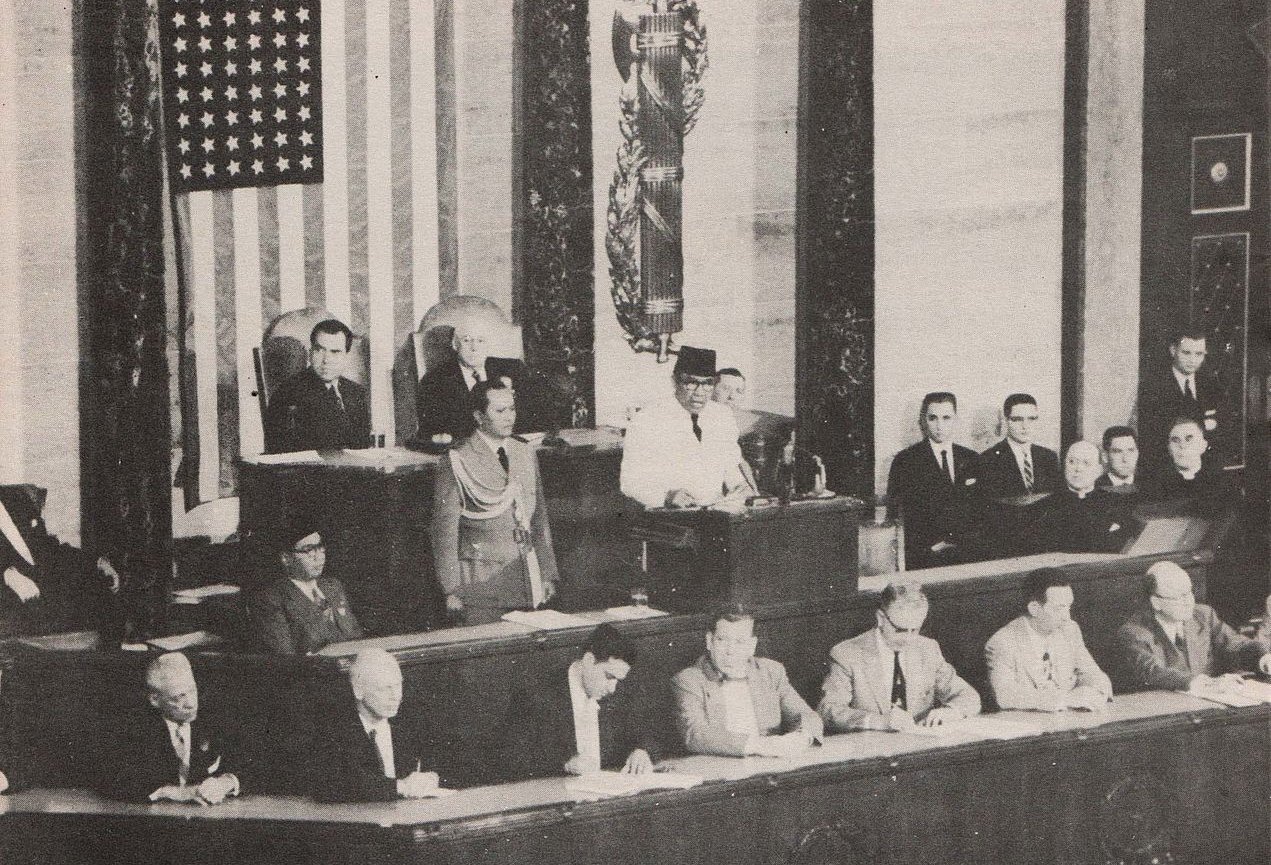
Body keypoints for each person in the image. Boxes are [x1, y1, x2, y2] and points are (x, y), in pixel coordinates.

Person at [431, 379, 559, 626]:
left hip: (524, 575)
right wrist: (451, 590)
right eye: (500, 411)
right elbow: (444, 532)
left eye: (512, 409)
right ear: (479, 416)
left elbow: (538, 519)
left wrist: (546, 573)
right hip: (481, 584)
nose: (509, 417)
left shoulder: (524, 452)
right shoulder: (458, 459)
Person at [492, 624, 662, 782]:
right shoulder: (537, 693)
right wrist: (565, 764)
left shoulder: (620, 689)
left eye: (617, 680)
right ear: (588, 660)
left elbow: (646, 732)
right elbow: (509, 757)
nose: (612, 688)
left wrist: (642, 750)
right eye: (609, 677)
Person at [819, 582, 980, 732]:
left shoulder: (928, 648)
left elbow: (968, 696)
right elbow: (828, 710)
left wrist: (951, 712)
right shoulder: (847, 654)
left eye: (915, 630)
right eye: (901, 630)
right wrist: (878, 721)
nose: (909, 639)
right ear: (881, 618)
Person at [672, 605, 822, 757]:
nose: (730, 651)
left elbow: (806, 715)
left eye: (740, 642)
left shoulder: (770, 671)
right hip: (720, 767)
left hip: (771, 764)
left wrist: (801, 737)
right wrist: (758, 745)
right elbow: (694, 734)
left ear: (752, 645)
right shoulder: (689, 680)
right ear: (709, 641)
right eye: (722, 640)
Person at [102, 653, 244, 804]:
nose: (191, 704)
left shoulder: (216, 717)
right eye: (178, 697)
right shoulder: (132, 726)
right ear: (155, 699)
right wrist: (170, 791)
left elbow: (253, 762)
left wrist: (226, 782)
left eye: (192, 691)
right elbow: (112, 779)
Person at [310, 649, 450, 802]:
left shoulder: (413, 719)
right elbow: (331, 786)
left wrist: (432, 777)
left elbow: (447, 760)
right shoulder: (333, 729)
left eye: (398, 686)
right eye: (384, 689)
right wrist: (400, 786)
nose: (395, 696)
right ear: (358, 691)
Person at [620, 346, 751, 508]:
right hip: (669, 515)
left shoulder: (722, 416)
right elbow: (629, 483)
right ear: (674, 381)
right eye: (691, 383)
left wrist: (741, 487)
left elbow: (731, 469)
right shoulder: (647, 419)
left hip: (715, 511)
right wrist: (666, 496)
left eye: (708, 384)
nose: (700, 392)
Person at [1114, 561, 1271, 693]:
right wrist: (1204, 683)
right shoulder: (1134, 632)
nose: (1189, 601)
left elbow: (1235, 643)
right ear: (1156, 602)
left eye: (1189, 593)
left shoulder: (1203, 615)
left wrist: (1263, 658)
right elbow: (1153, 672)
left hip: (1215, 699)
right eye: (1179, 597)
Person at [1, 483, 121, 639]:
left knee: (98, 591)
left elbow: (49, 547)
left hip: (41, 583)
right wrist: (7, 576)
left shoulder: (15, 498)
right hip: (10, 594)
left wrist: (96, 561)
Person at [984, 568, 1112, 711]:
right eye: (1059, 609)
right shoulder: (1003, 641)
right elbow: (1004, 695)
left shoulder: (1069, 630)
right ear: (1034, 608)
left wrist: (1091, 690)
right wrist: (1065, 699)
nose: (1067, 617)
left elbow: (1093, 674)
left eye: (1069, 607)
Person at [885, 392, 982, 569]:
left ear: (955, 420)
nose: (939, 426)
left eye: (946, 418)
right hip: (925, 559)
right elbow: (893, 516)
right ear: (923, 420)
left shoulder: (972, 459)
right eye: (933, 418)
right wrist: (928, 548)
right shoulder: (905, 461)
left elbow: (981, 511)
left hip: (968, 557)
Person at [249, 523, 364, 654]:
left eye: (320, 547)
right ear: (286, 558)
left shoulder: (333, 587)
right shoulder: (271, 599)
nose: (319, 556)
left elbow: (356, 636)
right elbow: (285, 656)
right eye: (309, 550)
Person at [414, 315, 529, 445]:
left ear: (489, 344)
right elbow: (431, 431)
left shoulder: (513, 369)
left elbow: (533, 417)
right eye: (467, 340)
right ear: (455, 344)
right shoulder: (434, 380)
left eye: (480, 340)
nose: (474, 347)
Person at [263, 319, 371, 453]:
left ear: (346, 357)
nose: (326, 360)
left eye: (335, 352)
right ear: (311, 352)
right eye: (320, 350)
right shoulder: (288, 393)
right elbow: (283, 453)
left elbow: (363, 446)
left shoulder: (355, 392)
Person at [1138, 330, 1224, 467]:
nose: (1192, 360)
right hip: (1167, 467)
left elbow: (1220, 429)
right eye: (1186, 353)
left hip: (1206, 467)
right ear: (1173, 350)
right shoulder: (1154, 386)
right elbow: (1151, 435)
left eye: (1199, 354)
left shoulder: (1211, 384)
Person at [1031, 441, 1133, 553]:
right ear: (1064, 466)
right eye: (1072, 462)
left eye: (1086, 463)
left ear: (1099, 471)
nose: (1078, 468)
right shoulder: (1045, 507)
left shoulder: (1116, 503)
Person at [977, 394, 1061, 498]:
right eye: (1017, 419)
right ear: (1006, 420)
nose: (1025, 426)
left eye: (1031, 419)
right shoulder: (988, 459)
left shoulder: (1049, 457)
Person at [1141, 417, 1232, 511]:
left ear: (1203, 445)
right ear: (1169, 449)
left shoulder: (1223, 484)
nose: (1182, 446)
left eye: (1189, 439)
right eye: (1175, 440)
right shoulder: (1156, 488)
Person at [1097, 426, 1140, 492]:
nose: (1125, 459)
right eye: (1118, 452)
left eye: (1131, 451)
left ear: (1137, 453)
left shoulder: (1150, 487)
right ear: (1105, 456)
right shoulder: (1094, 488)